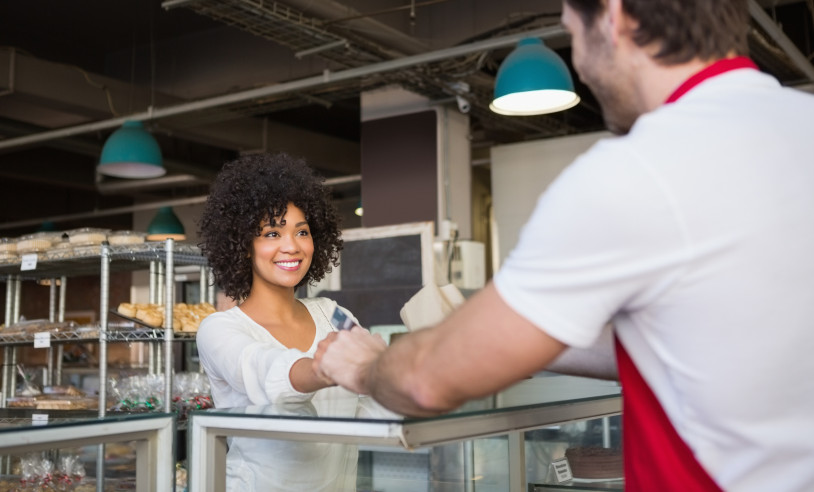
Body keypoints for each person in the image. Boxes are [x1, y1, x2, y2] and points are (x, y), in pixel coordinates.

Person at [313, 1, 814, 491]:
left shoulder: (635, 171)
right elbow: (703, 341)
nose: (581, 66)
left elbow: (426, 382)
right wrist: (522, 335)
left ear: (614, 16)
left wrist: (363, 366)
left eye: (573, 35)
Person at [196, 152, 360, 491]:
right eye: (272, 233)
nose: (292, 246)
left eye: (302, 231)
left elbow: (376, 386)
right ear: (244, 245)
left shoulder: (333, 315)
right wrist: (328, 366)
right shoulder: (220, 330)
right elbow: (266, 370)